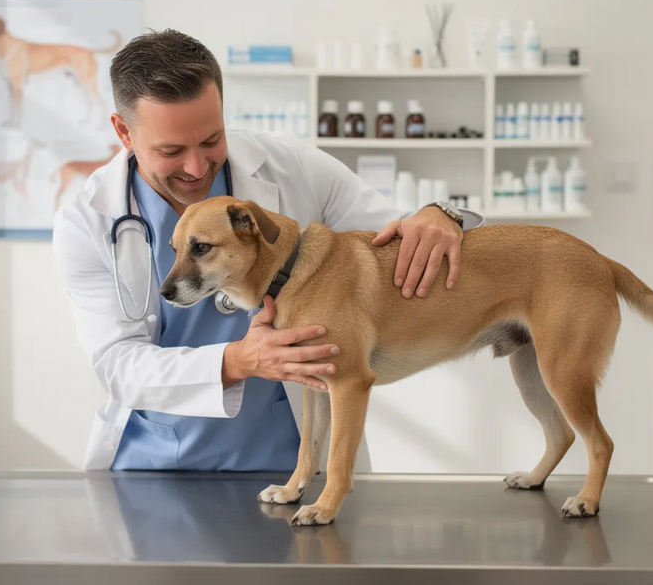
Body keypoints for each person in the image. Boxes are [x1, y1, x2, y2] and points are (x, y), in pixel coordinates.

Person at [52, 29, 483, 472]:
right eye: (171, 150)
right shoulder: (87, 222)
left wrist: (439, 213)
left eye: (211, 139)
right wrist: (240, 360)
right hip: (157, 463)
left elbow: (393, 230)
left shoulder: (290, 166)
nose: (198, 167)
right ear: (124, 131)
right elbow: (118, 365)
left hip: (287, 456)